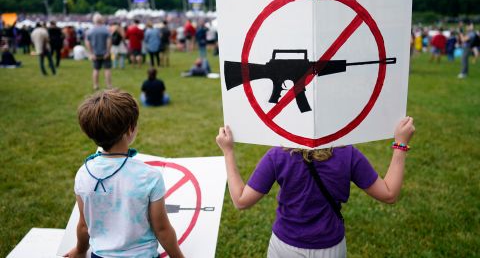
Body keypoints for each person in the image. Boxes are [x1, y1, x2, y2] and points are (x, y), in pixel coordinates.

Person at [215, 116, 415, 258]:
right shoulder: (348, 154)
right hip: (330, 247)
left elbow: (241, 200)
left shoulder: (277, 155)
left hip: (285, 246)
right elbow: (389, 194)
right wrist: (400, 145)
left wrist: (228, 151)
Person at [64, 89, 184, 258]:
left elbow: (84, 226)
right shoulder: (149, 176)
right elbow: (162, 229)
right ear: (130, 129)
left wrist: (80, 250)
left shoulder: (83, 173)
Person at [85, 13, 112, 90]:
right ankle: (108, 85)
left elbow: (87, 43)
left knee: (96, 70)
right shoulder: (106, 30)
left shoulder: (90, 31)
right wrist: (108, 52)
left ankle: (96, 85)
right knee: (107, 69)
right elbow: (109, 42)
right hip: (105, 53)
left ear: (94, 20)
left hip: (95, 54)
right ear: (102, 20)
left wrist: (91, 53)